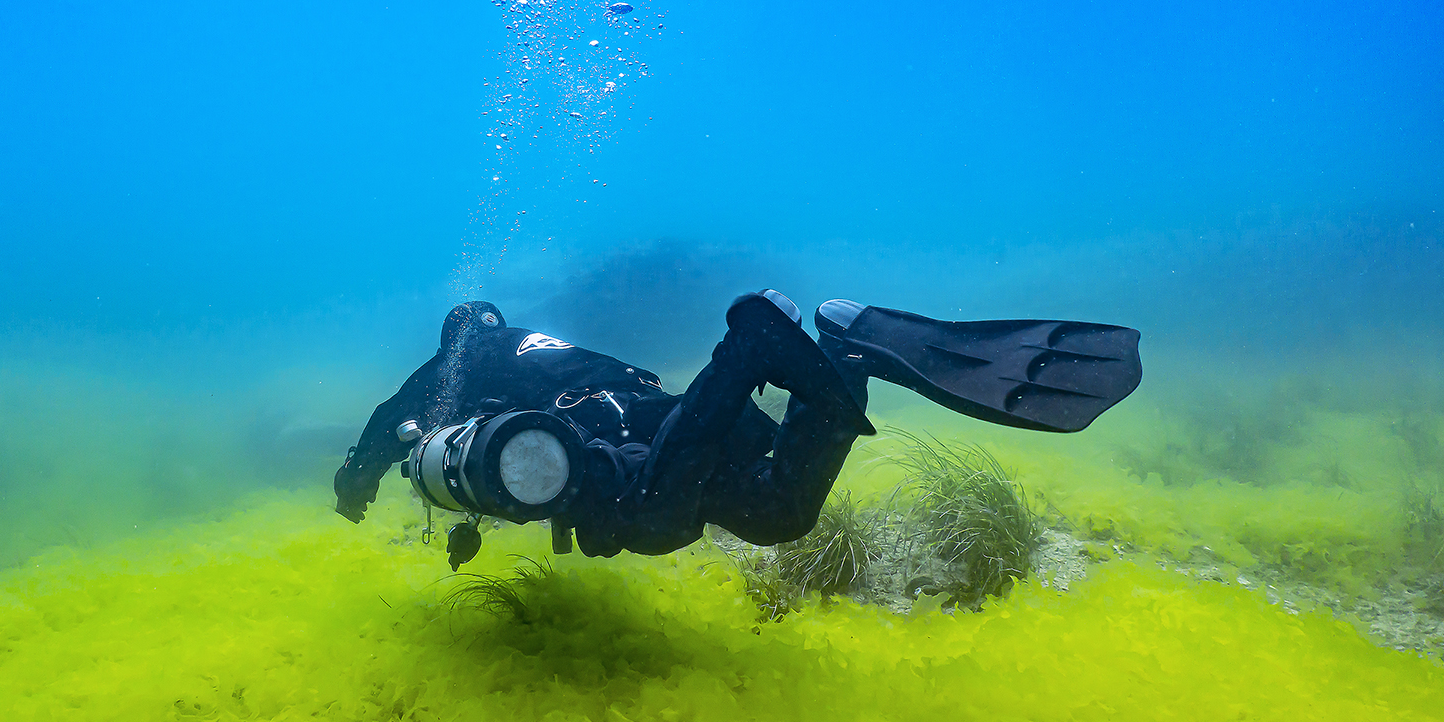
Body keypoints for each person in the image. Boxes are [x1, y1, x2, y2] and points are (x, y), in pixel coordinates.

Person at [333, 290, 1140, 567]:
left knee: (648, 520)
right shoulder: (545, 345)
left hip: (612, 438)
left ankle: (750, 345)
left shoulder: (461, 356)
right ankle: (843, 357)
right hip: (666, 409)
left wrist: (354, 483)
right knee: (777, 512)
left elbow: (381, 425)